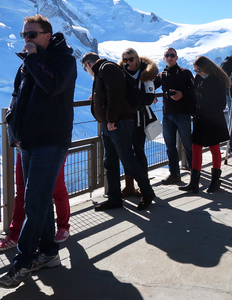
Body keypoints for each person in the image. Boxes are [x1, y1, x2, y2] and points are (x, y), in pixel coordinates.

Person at [0, 15, 76, 289]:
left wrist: (32, 59)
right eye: (24, 35)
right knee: (37, 202)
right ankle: (49, 253)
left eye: (32, 34)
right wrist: (13, 133)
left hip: (51, 141)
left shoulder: (63, 60)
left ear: (47, 35)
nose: (27, 39)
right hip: (27, 142)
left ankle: (23, 262)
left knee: (35, 202)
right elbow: (16, 99)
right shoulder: (27, 64)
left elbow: (53, 86)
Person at [81, 52, 155, 212]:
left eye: (85, 69)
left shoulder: (107, 68)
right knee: (110, 161)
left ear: (88, 65)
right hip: (110, 124)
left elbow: (116, 95)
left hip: (117, 123)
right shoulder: (104, 70)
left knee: (127, 159)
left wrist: (112, 120)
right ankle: (114, 198)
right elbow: (109, 93)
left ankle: (148, 192)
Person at [0, 151, 70, 252]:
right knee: (22, 192)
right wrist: (15, 140)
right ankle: (15, 235)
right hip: (24, 148)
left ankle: (63, 227)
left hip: (53, 147)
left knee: (57, 189)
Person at [179, 56, 230, 193]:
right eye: (195, 70)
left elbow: (221, 103)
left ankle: (215, 181)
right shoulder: (199, 79)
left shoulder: (217, 80)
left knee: (214, 148)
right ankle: (194, 181)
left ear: (206, 67)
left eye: (199, 70)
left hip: (212, 119)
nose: (197, 73)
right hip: (200, 118)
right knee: (196, 147)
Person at [117, 48, 158, 197]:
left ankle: (144, 185)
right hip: (124, 119)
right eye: (125, 60)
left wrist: (132, 92)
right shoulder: (120, 74)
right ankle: (129, 186)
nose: (128, 63)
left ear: (137, 60)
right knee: (127, 153)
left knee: (139, 152)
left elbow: (148, 98)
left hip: (140, 120)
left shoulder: (145, 75)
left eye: (131, 59)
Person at [154, 47, 194, 185]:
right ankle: (174, 174)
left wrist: (182, 94)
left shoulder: (185, 73)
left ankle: (195, 173)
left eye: (172, 55)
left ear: (177, 57)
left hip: (183, 114)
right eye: (167, 55)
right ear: (164, 58)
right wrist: (151, 94)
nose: (170, 57)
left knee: (188, 144)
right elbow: (150, 86)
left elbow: (195, 90)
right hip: (167, 115)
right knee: (170, 146)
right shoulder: (161, 75)